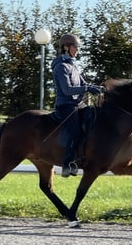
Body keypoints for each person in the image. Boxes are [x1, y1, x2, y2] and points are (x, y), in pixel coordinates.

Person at [51, 33, 104, 177]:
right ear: (66, 47)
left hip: (77, 105)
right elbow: (67, 90)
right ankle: (67, 163)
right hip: (66, 106)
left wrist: (98, 88)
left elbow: (84, 84)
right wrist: (87, 89)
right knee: (74, 131)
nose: (78, 50)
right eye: (76, 47)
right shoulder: (61, 67)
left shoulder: (72, 66)